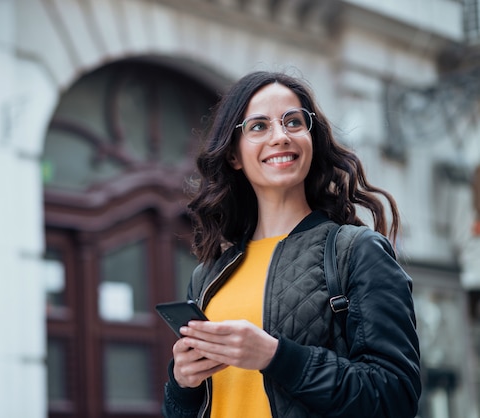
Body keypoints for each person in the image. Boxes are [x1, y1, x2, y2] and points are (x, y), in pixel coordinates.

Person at [160, 71, 421, 418]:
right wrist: (181, 385)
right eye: (259, 127)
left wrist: (275, 356)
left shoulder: (357, 251)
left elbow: (395, 396)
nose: (280, 136)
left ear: (310, 139)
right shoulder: (208, 276)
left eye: (293, 122)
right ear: (234, 156)